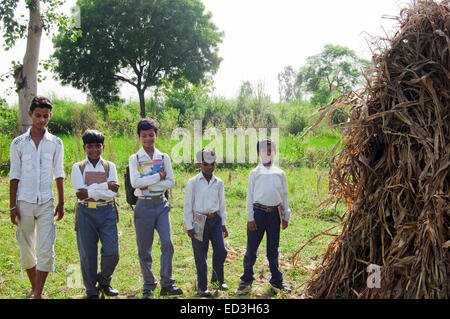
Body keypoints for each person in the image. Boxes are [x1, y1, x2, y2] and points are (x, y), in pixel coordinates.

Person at [9, 96, 65, 299]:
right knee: (26, 248)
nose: (42, 120)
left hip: (46, 202)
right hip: (24, 202)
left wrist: (61, 201)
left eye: (46, 116)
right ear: (30, 114)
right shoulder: (18, 143)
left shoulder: (56, 143)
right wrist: (12, 206)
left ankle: (38, 293)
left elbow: (59, 173)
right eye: (38, 115)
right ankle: (35, 288)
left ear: (50, 116)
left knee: (46, 248)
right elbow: (14, 176)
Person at [128, 118, 182, 298]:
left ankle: (167, 283)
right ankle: (149, 284)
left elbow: (171, 182)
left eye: (151, 135)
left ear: (156, 135)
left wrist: (148, 183)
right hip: (143, 206)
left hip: (161, 204)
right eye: (144, 136)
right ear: (139, 137)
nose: (148, 139)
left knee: (167, 243)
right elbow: (135, 183)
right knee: (145, 249)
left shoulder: (164, 157)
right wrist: (159, 176)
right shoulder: (135, 158)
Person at [71, 130, 120, 299]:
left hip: (107, 211)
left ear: (103, 147)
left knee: (112, 252)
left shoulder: (109, 166)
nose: (94, 150)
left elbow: (112, 194)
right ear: (84, 147)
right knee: (87, 253)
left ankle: (104, 281)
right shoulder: (78, 167)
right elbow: (81, 194)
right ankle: (91, 289)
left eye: (98, 146)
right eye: (90, 146)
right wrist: (106, 186)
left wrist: (92, 190)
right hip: (86, 211)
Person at [238, 138, 292, 293]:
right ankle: (247, 278)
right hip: (258, 213)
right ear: (258, 154)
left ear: (274, 153)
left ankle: (276, 280)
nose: (267, 154)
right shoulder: (254, 173)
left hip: (274, 214)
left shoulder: (280, 173)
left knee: (273, 250)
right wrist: (250, 218)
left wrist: (286, 215)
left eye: (270, 151)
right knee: (251, 249)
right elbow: (249, 196)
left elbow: (285, 196)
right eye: (264, 152)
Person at [183, 148, 228, 297]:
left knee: (221, 250)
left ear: (216, 164)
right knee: (200, 254)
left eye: (212, 163)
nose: (209, 167)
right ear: (199, 165)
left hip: (215, 219)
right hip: (199, 220)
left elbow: (222, 204)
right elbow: (188, 205)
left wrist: (223, 224)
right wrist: (190, 226)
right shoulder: (193, 182)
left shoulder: (218, 182)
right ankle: (202, 287)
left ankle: (217, 280)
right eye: (205, 164)